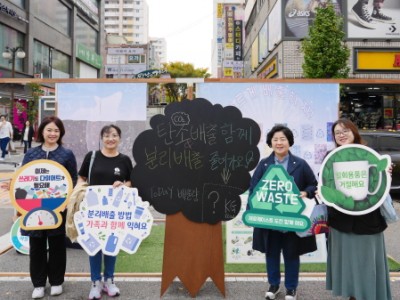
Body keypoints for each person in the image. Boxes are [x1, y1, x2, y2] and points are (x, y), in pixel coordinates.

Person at [248, 125, 318, 300]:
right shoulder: (264, 164)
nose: (279, 143)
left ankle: (291, 288)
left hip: (292, 220)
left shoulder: (300, 164)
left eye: (283, 139)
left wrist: (306, 192)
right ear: (270, 143)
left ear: (289, 142)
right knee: (271, 254)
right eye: (275, 139)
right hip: (269, 221)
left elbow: (313, 185)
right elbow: (253, 189)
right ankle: (273, 285)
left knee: (291, 254)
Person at [325, 118, 392, 300]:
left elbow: (378, 184)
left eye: (345, 130)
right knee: (347, 267)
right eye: (337, 132)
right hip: (341, 222)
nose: (341, 135)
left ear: (354, 132)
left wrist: (385, 173)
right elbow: (326, 186)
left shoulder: (369, 155)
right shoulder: (330, 159)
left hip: (368, 221)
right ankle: (353, 296)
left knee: (367, 265)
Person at [21, 116, 77, 299]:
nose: (53, 133)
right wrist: (19, 207)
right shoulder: (31, 154)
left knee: (57, 245)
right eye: (49, 130)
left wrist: (66, 203)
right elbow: (22, 180)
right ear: (41, 131)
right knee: (36, 245)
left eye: (56, 131)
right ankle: (38, 284)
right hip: (33, 207)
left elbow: (73, 180)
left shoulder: (66, 154)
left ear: (60, 133)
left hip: (57, 208)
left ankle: (56, 282)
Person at [77, 124, 133, 300]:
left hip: (114, 212)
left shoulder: (124, 160)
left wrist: (123, 185)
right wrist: (80, 191)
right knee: (94, 247)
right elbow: (82, 178)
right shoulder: (92, 156)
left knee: (111, 246)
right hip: (93, 210)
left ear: (119, 139)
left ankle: (109, 280)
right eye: (107, 135)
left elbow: (131, 181)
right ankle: (95, 282)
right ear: (102, 138)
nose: (111, 139)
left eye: (114, 135)